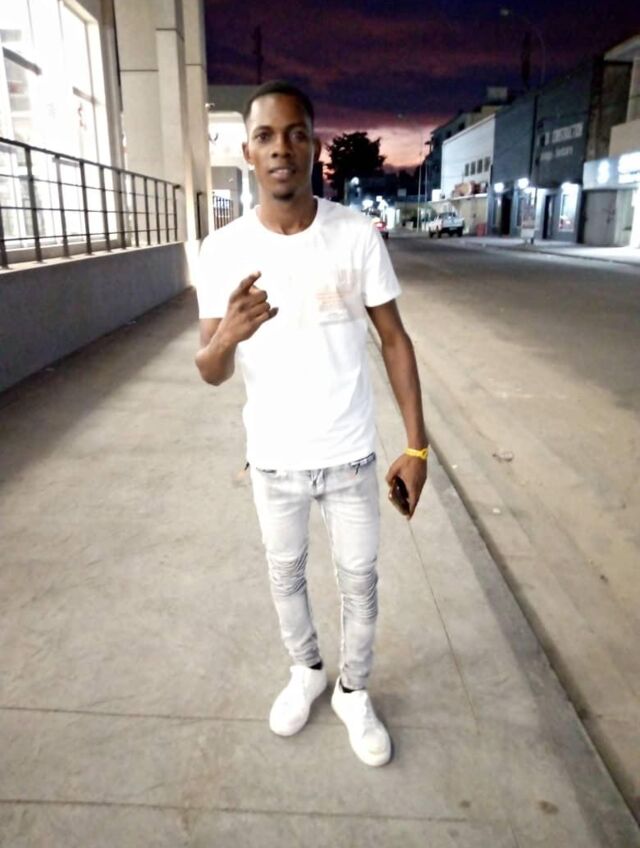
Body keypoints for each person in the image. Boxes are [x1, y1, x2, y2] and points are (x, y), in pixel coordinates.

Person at [195, 80, 428, 767]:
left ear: (314, 147)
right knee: (286, 577)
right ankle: (307, 672)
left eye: (295, 134)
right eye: (265, 137)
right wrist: (227, 335)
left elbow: (395, 339)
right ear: (248, 152)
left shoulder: (353, 235)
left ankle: (354, 691)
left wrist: (416, 447)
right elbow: (209, 369)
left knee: (360, 583)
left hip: (351, 457)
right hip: (274, 461)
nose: (281, 149)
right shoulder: (222, 249)